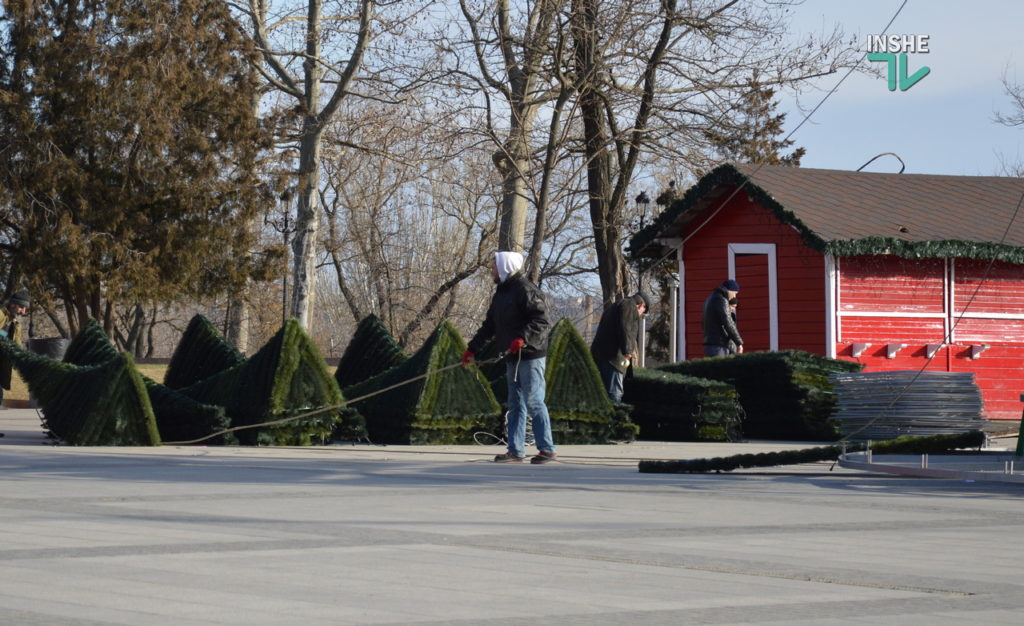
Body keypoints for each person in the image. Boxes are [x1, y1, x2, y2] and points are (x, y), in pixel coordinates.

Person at [463, 252, 558, 464]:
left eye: (494, 266)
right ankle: (515, 450)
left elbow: (542, 321)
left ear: (505, 266)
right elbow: (490, 325)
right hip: (512, 356)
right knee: (515, 404)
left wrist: (522, 339)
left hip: (531, 355)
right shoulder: (501, 293)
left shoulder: (525, 289)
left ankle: (547, 449)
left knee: (534, 401)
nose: (491, 271)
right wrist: (472, 349)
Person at [589, 292, 649, 403]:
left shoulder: (615, 305)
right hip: (614, 358)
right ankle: (615, 418)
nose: (640, 316)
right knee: (614, 393)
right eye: (642, 313)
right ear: (641, 305)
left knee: (603, 392)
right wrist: (627, 350)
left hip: (601, 355)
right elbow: (625, 327)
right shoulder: (629, 305)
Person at [0, 289, 30, 424]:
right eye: (22, 307)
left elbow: (17, 347)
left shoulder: (15, 324)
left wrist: (26, 361)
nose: (23, 311)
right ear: (13, 304)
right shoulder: (0, 315)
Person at [702, 279, 743, 357]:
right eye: (735, 293)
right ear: (730, 290)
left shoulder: (709, 299)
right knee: (721, 369)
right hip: (719, 345)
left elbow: (702, 323)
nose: (734, 297)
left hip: (709, 343)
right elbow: (728, 323)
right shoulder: (721, 300)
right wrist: (739, 343)